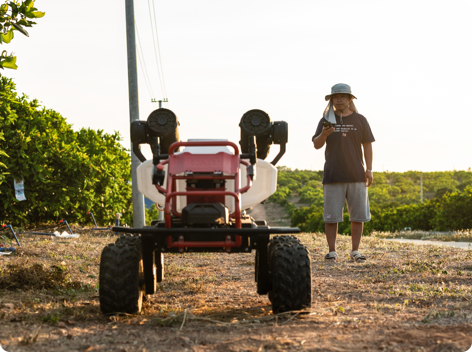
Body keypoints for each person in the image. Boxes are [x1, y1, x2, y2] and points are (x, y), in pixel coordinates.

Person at [312, 83, 375, 263]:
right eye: (335, 96)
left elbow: (368, 145)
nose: (339, 99)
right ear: (331, 99)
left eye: (343, 96)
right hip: (333, 175)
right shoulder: (326, 119)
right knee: (331, 216)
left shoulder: (360, 120)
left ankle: (355, 251)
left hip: (357, 174)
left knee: (358, 216)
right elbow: (316, 145)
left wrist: (369, 169)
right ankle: (332, 251)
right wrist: (324, 134)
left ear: (350, 99)